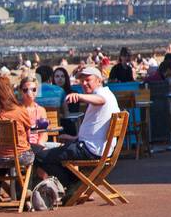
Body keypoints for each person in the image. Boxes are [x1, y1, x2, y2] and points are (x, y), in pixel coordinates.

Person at [34, 66, 116, 197]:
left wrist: (79, 96)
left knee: (38, 156)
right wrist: (74, 137)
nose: (84, 83)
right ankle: (76, 182)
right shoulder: (108, 93)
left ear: (99, 80)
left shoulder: (102, 94)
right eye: (82, 81)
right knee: (53, 151)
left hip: (89, 150)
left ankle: (73, 183)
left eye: (88, 79)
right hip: (94, 147)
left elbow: (101, 100)